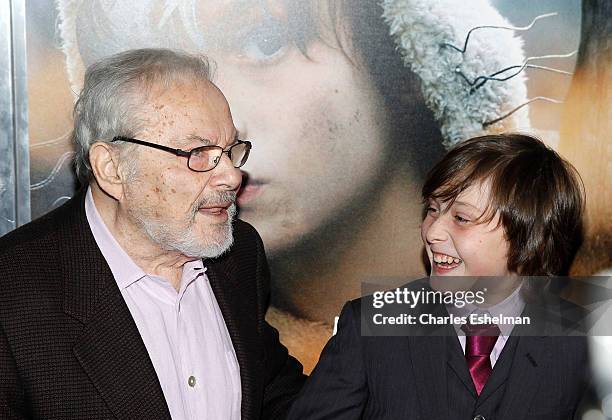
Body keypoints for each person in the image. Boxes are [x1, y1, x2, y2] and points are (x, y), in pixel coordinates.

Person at [53, 0, 531, 371]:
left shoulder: (563, 316)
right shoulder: (207, 347)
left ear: (401, 53)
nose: (216, 124)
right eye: (164, 79)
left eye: (264, 42)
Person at [0, 48, 305, 420]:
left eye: (230, 150)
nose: (232, 175)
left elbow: (267, 385)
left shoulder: (239, 254)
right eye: (198, 154)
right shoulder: (13, 289)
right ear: (112, 169)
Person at [269, 134, 599, 420]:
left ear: (529, 236)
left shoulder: (580, 341)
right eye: (433, 209)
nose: (432, 231)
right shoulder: (372, 325)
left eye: (461, 218)